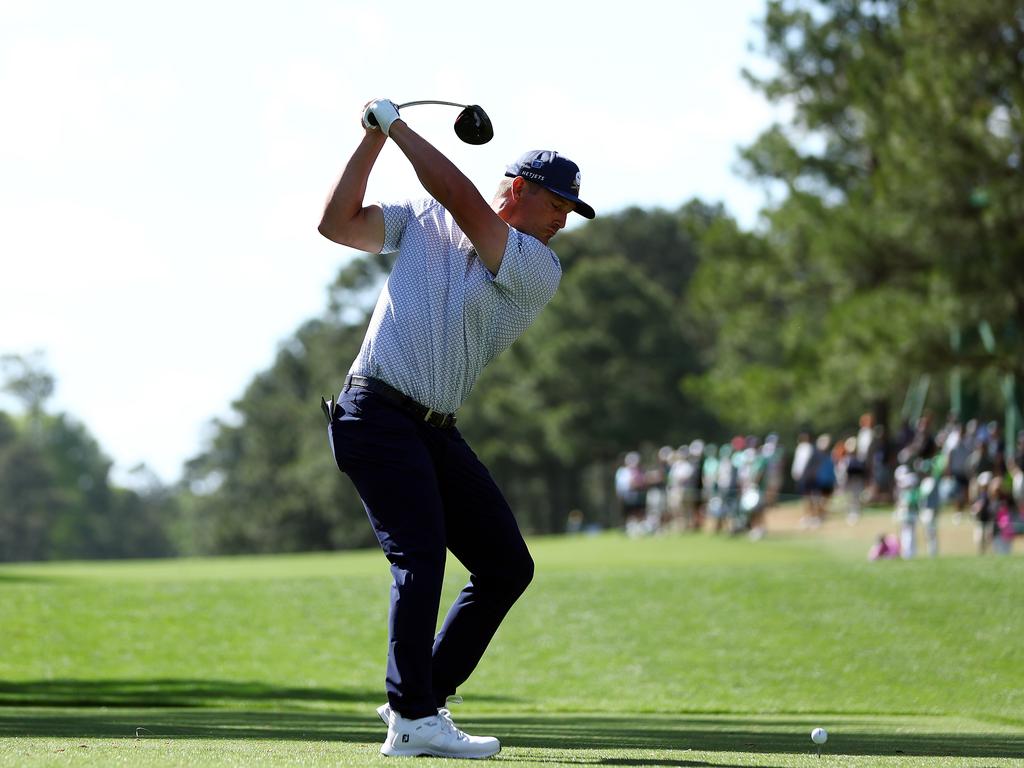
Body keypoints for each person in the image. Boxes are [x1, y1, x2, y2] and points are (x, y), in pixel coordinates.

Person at [318, 98, 595, 759]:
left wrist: (399, 127)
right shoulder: (422, 222)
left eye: (569, 212)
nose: (562, 220)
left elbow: (460, 194)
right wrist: (372, 141)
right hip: (375, 414)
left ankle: (420, 699)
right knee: (421, 555)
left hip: (433, 429)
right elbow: (335, 224)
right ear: (521, 191)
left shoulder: (536, 266)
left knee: (505, 566)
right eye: (557, 204)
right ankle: (412, 717)